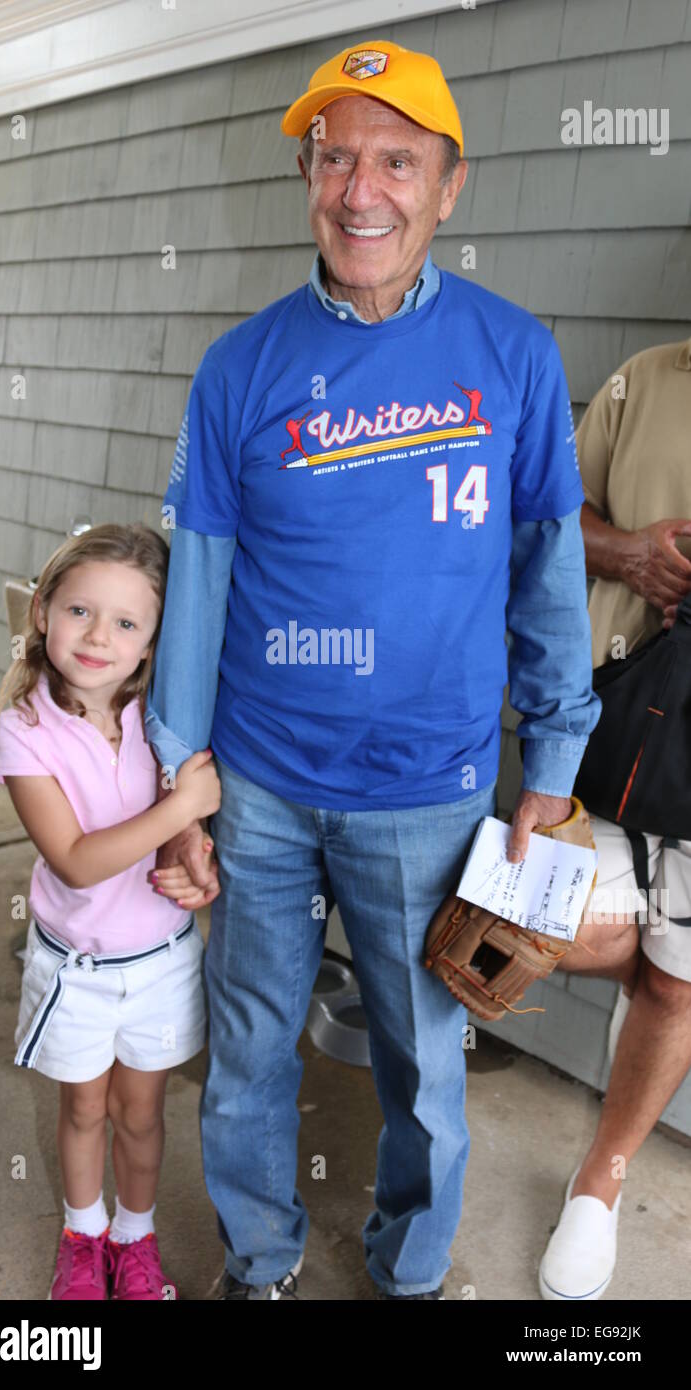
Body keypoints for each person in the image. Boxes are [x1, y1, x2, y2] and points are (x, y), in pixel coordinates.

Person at [145, 39, 601, 1299]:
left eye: (396, 160)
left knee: (426, 1068)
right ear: (307, 178)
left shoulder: (512, 357)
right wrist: (181, 778)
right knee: (246, 1058)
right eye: (335, 157)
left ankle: (409, 1272)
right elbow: (199, 588)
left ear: (448, 187)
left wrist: (551, 770)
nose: (362, 191)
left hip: (433, 790)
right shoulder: (239, 369)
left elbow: (547, 575)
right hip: (260, 787)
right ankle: (261, 1260)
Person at [0, 523, 221, 1300]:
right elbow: (76, 860)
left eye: (126, 622)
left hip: (158, 961)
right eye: (80, 611)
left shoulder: (163, 716)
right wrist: (182, 804)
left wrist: (194, 852)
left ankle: (134, 1239)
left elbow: (183, 826)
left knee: (141, 1114)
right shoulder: (24, 732)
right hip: (76, 969)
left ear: (154, 642)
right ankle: (82, 1239)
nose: (97, 636)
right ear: (43, 611)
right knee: (84, 1109)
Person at [539, 337, 691, 1301]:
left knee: (676, 991)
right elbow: (550, 519)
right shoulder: (648, 377)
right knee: (526, 920)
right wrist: (632, 555)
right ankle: (659, 951)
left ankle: (598, 1183)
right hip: (604, 731)